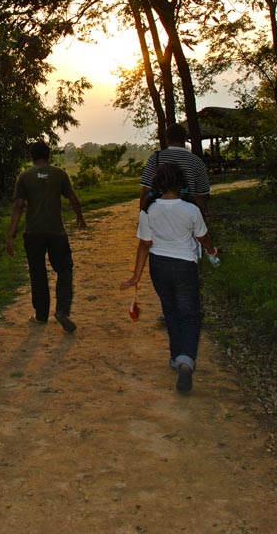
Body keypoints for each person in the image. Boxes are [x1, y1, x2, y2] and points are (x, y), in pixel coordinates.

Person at [120, 161, 218, 393]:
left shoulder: (148, 209)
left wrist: (136, 275)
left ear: (158, 184)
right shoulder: (191, 210)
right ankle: (186, 361)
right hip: (184, 266)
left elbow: (145, 244)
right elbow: (203, 237)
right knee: (191, 315)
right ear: (180, 183)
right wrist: (212, 252)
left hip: (159, 266)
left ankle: (176, 357)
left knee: (171, 311)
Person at [7, 140, 86, 333]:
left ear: (31, 157)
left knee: (38, 272)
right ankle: (62, 310)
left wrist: (11, 235)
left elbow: (18, 206)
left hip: (33, 233)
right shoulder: (59, 174)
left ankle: (41, 315)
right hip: (56, 232)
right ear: (49, 156)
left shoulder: (25, 176)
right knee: (64, 269)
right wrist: (79, 216)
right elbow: (72, 197)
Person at [139, 123, 211, 215]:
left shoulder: (155, 159)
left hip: (158, 216)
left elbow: (146, 191)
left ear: (167, 139)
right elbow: (202, 196)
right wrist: (199, 219)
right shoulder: (196, 161)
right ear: (185, 139)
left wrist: (143, 217)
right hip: (186, 216)